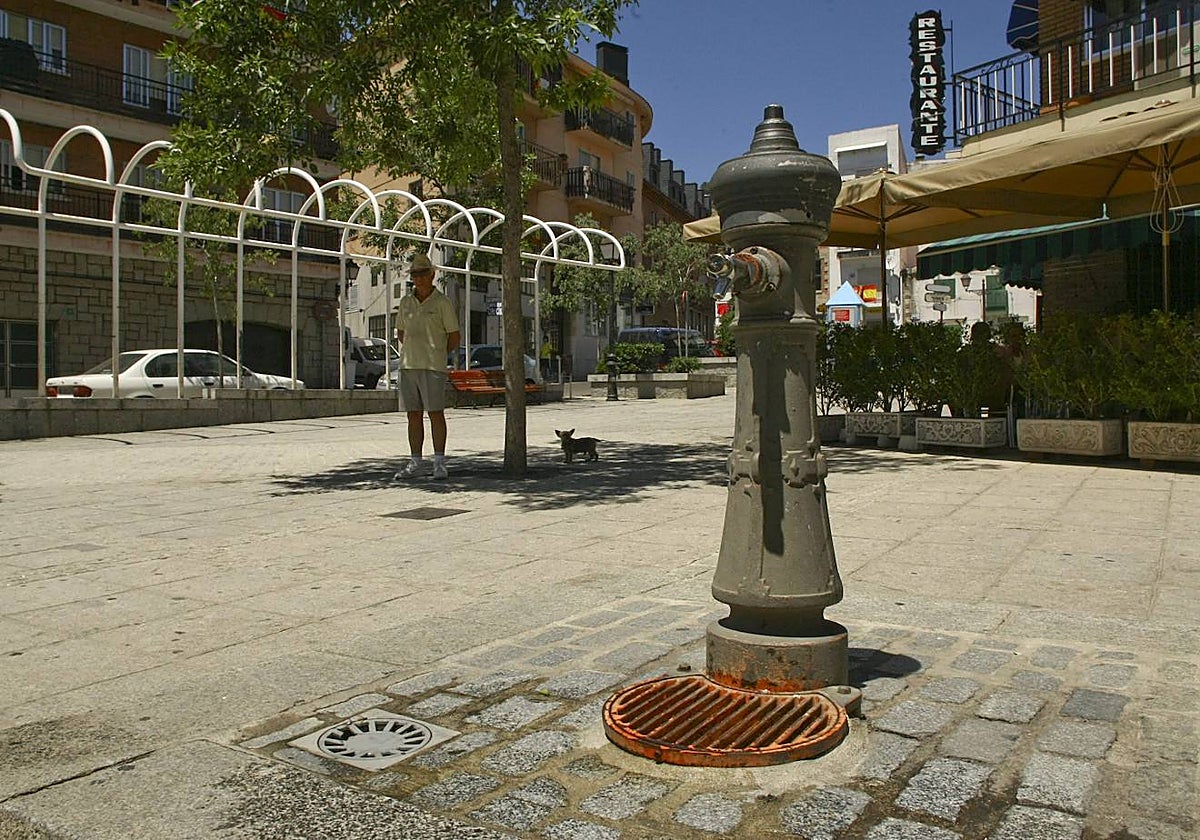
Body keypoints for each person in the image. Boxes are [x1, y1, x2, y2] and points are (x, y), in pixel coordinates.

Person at [394, 254, 460, 480]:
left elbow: (454, 336)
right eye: (415, 275)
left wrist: (437, 352)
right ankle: (416, 461)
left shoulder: (442, 302)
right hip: (408, 366)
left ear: (432, 275)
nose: (419, 279)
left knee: (435, 413)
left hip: (433, 367)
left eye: (423, 274)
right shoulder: (406, 302)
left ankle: (439, 462)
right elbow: (401, 332)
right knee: (413, 414)